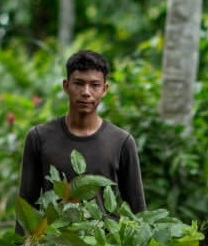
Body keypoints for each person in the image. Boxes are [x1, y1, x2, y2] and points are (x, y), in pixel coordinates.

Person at [18, 49, 146, 215]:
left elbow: (138, 211)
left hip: (104, 240)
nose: (86, 92)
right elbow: (26, 208)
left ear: (105, 89)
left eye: (94, 85)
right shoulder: (39, 137)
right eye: (79, 83)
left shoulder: (121, 142)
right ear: (66, 86)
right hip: (53, 240)